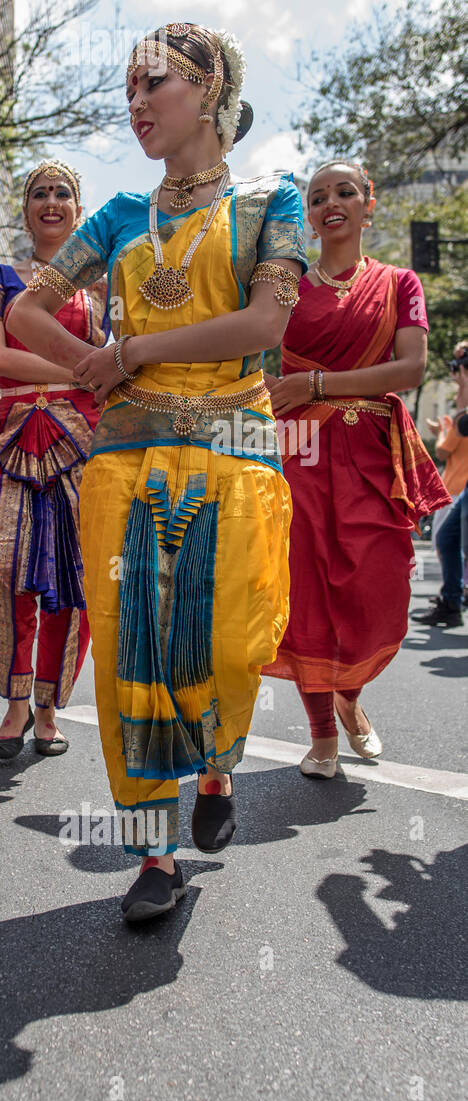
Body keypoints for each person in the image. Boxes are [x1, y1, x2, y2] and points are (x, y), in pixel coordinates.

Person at [9, 22, 305, 921]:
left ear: (208, 92)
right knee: (133, 646)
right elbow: (23, 313)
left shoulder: (271, 202)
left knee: (224, 641)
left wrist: (129, 348)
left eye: (153, 87)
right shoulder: (115, 219)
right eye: (129, 91)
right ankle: (154, 852)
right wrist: (88, 361)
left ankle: (216, 764)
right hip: (126, 453)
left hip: (237, 446)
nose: (135, 106)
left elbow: (266, 326)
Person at [263, 161, 448, 776]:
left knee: (378, 589)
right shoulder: (284, 287)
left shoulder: (400, 283)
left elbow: (410, 369)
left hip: (371, 456)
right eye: (317, 198)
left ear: (369, 204)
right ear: (308, 216)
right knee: (305, 592)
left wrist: (317, 382)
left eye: (345, 192)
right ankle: (321, 736)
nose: (330, 203)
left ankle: (350, 698)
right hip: (301, 456)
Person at [0, 160, 107, 761]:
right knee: (7, 570)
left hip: (81, 440)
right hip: (13, 437)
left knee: (69, 575)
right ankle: (14, 703)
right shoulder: (1, 276)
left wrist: (88, 375)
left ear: (78, 211)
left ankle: (52, 707)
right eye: (39, 194)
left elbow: (118, 363)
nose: (51, 202)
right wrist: (75, 369)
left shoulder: (100, 285)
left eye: (63, 193)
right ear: (25, 209)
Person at [413, 340, 468, 628]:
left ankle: (454, 599)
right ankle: (452, 600)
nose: (458, 371)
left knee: (449, 540)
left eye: (461, 366)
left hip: (459, 485)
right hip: (460, 487)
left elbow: (445, 449)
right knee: (447, 539)